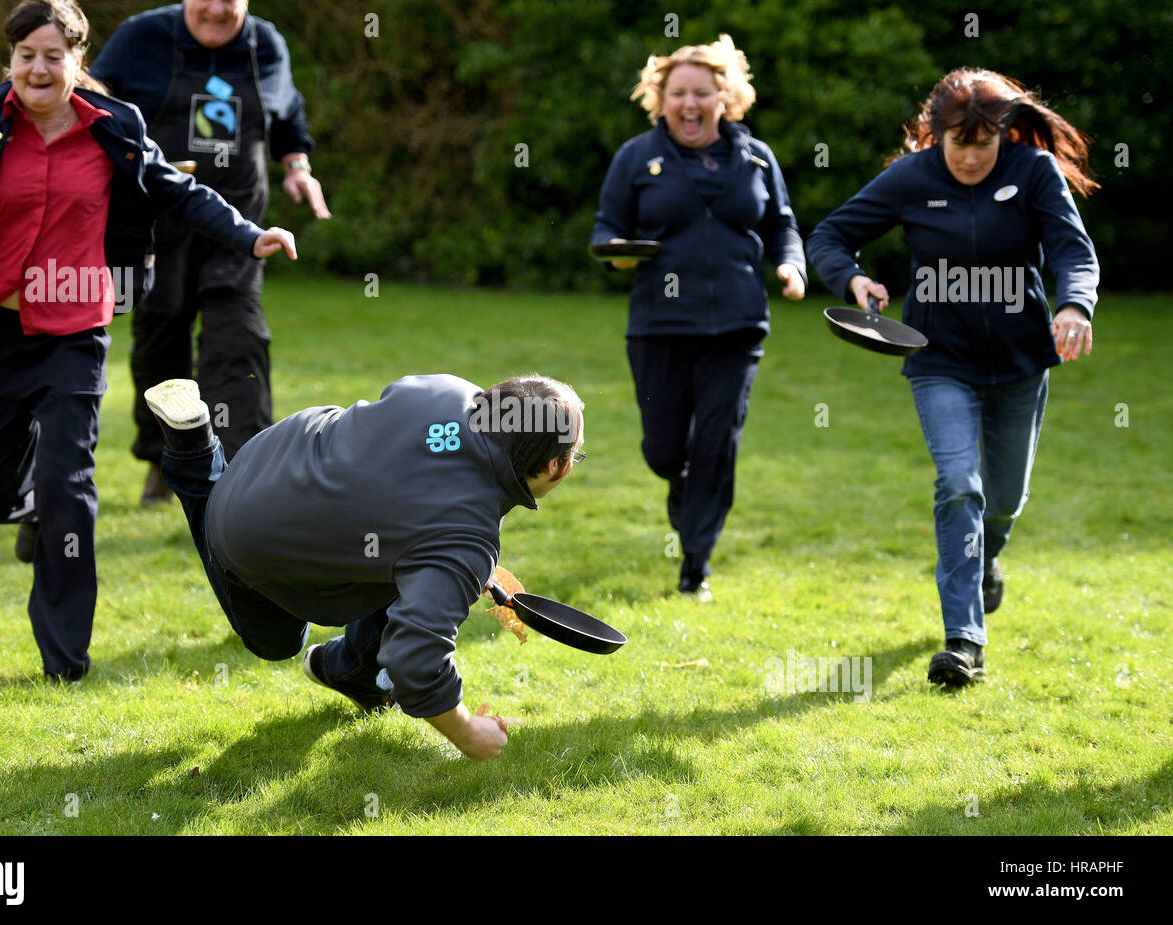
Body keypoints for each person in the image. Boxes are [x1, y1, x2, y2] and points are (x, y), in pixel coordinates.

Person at [0, 0, 297, 681]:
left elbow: (175, 190)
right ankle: (28, 511)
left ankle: (63, 660)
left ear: (79, 63)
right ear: (11, 62)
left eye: (54, 56)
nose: (39, 69)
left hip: (76, 331)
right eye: (27, 56)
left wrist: (247, 234)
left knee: (69, 485)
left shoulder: (115, 126)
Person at [806, 68, 1100, 686]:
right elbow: (831, 236)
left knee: (1005, 499)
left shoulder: (1034, 173)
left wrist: (1074, 305)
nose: (969, 157)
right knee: (959, 485)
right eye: (956, 143)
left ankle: (987, 558)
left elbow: (1074, 251)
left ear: (1002, 133)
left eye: (981, 143)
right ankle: (964, 640)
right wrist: (854, 280)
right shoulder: (911, 177)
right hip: (938, 358)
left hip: (1021, 360)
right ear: (935, 133)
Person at [143, 372, 585, 761]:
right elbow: (417, 658)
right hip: (246, 528)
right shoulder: (464, 542)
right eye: (575, 457)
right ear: (555, 467)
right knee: (278, 643)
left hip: (280, 450)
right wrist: (468, 733)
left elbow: (425, 477)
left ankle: (352, 671)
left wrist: (454, 563)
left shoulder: (447, 390)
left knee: (410, 567)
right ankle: (195, 450)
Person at [590, 34, 806, 602]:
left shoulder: (757, 157)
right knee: (663, 451)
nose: (690, 104)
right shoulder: (636, 158)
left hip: (736, 325)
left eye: (702, 93)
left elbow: (783, 225)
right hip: (659, 324)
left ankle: (695, 567)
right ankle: (678, 482)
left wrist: (790, 267)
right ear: (660, 98)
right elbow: (606, 227)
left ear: (725, 96)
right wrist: (615, 250)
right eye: (678, 93)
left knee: (717, 441)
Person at [90, 0, 331, 506]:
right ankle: (164, 462)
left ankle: (246, 476)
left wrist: (297, 164)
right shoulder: (140, 38)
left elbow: (287, 111)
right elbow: (92, 104)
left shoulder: (266, 43)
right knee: (159, 346)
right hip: (155, 224)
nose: (217, 9)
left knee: (237, 340)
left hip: (236, 227)